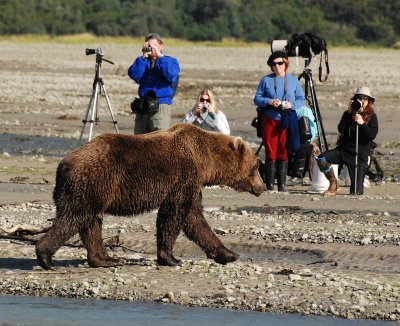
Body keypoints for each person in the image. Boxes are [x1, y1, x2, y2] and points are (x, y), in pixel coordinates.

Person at [254, 51, 305, 191]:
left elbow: (302, 100)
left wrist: (291, 105)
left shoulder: (294, 81)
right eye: (274, 64)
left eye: (280, 63)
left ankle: (282, 185)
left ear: (285, 64)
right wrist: (269, 101)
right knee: (271, 151)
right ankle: (270, 185)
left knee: (283, 150)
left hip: (287, 118)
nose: (277, 66)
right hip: (269, 119)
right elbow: (257, 99)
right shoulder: (266, 80)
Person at [316, 86, 378, 196]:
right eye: (360, 98)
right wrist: (349, 113)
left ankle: (356, 185)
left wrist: (362, 123)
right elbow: (341, 129)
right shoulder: (348, 114)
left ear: (369, 101)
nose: (362, 101)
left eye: (365, 99)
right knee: (322, 159)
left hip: (359, 155)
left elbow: (371, 136)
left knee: (356, 192)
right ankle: (333, 183)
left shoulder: (372, 117)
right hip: (344, 150)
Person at [128, 33, 180, 134]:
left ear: (161, 46)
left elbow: (171, 74)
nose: (150, 48)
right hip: (143, 106)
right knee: (139, 141)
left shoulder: (170, 61)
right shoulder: (143, 62)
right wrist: (143, 58)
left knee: (159, 141)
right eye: (148, 46)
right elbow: (134, 75)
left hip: (160, 105)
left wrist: (160, 57)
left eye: (153, 45)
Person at [287, 106, 318, 185]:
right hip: (296, 139)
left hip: (306, 141)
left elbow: (307, 134)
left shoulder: (303, 111)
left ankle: (298, 175)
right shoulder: (302, 110)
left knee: (302, 147)